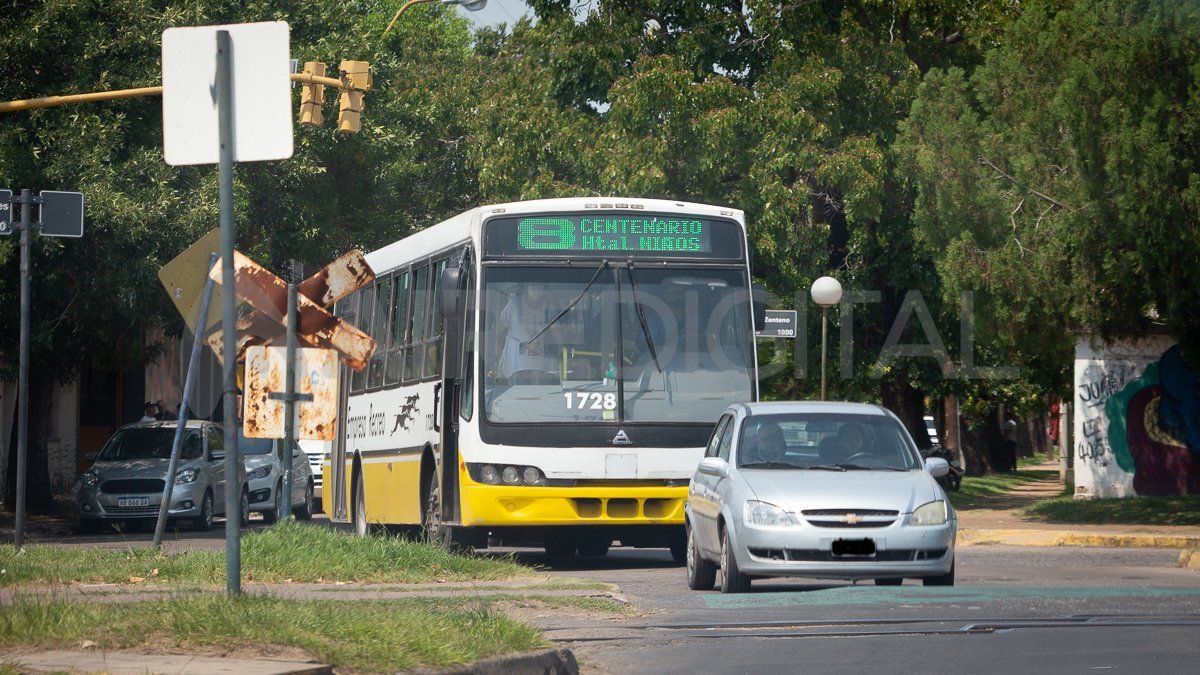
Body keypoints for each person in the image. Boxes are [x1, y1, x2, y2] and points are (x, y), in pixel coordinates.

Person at [497, 284, 558, 378]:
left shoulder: (548, 305)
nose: (536, 290)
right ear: (527, 287)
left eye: (539, 286)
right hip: (516, 361)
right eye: (533, 286)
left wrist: (561, 345)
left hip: (540, 361)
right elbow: (500, 325)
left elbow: (555, 329)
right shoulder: (515, 303)